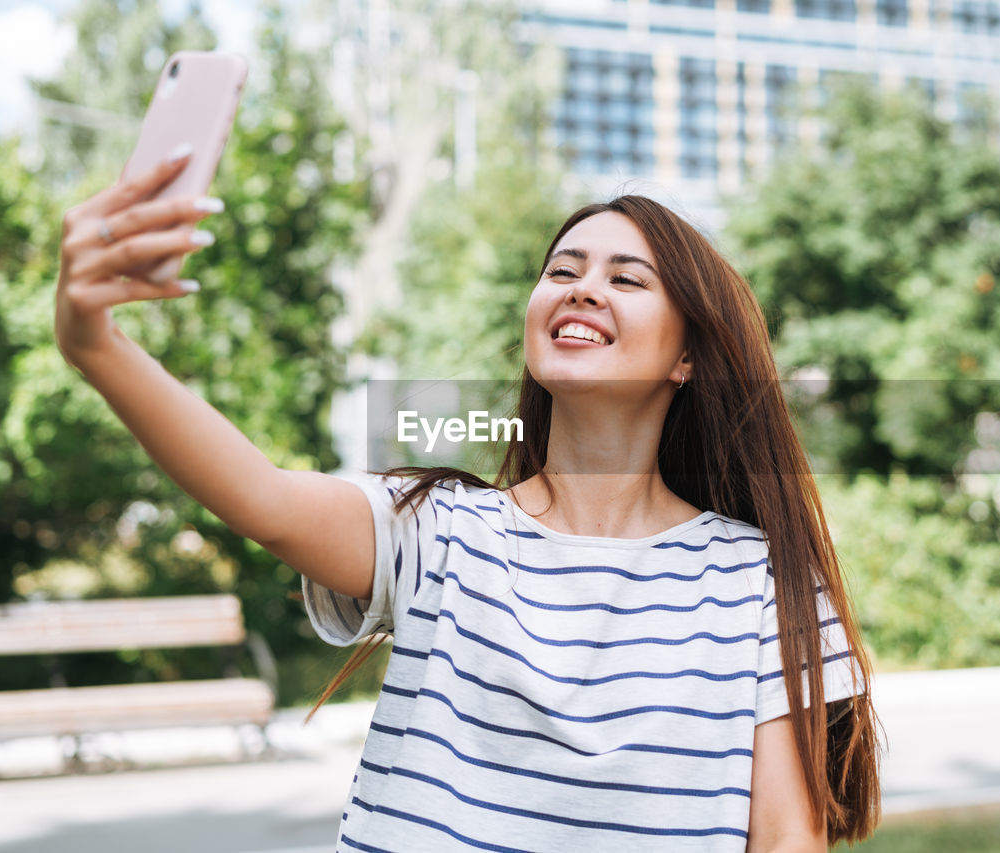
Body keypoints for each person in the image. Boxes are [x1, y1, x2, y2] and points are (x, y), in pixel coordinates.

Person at [55, 149, 882, 852]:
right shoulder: (438, 535)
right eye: (563, 269)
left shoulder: (759, 576)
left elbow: (783, 838)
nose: (583, 287)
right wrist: (97, 345)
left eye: (627, 278)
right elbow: (262, 496)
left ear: (689, 357)